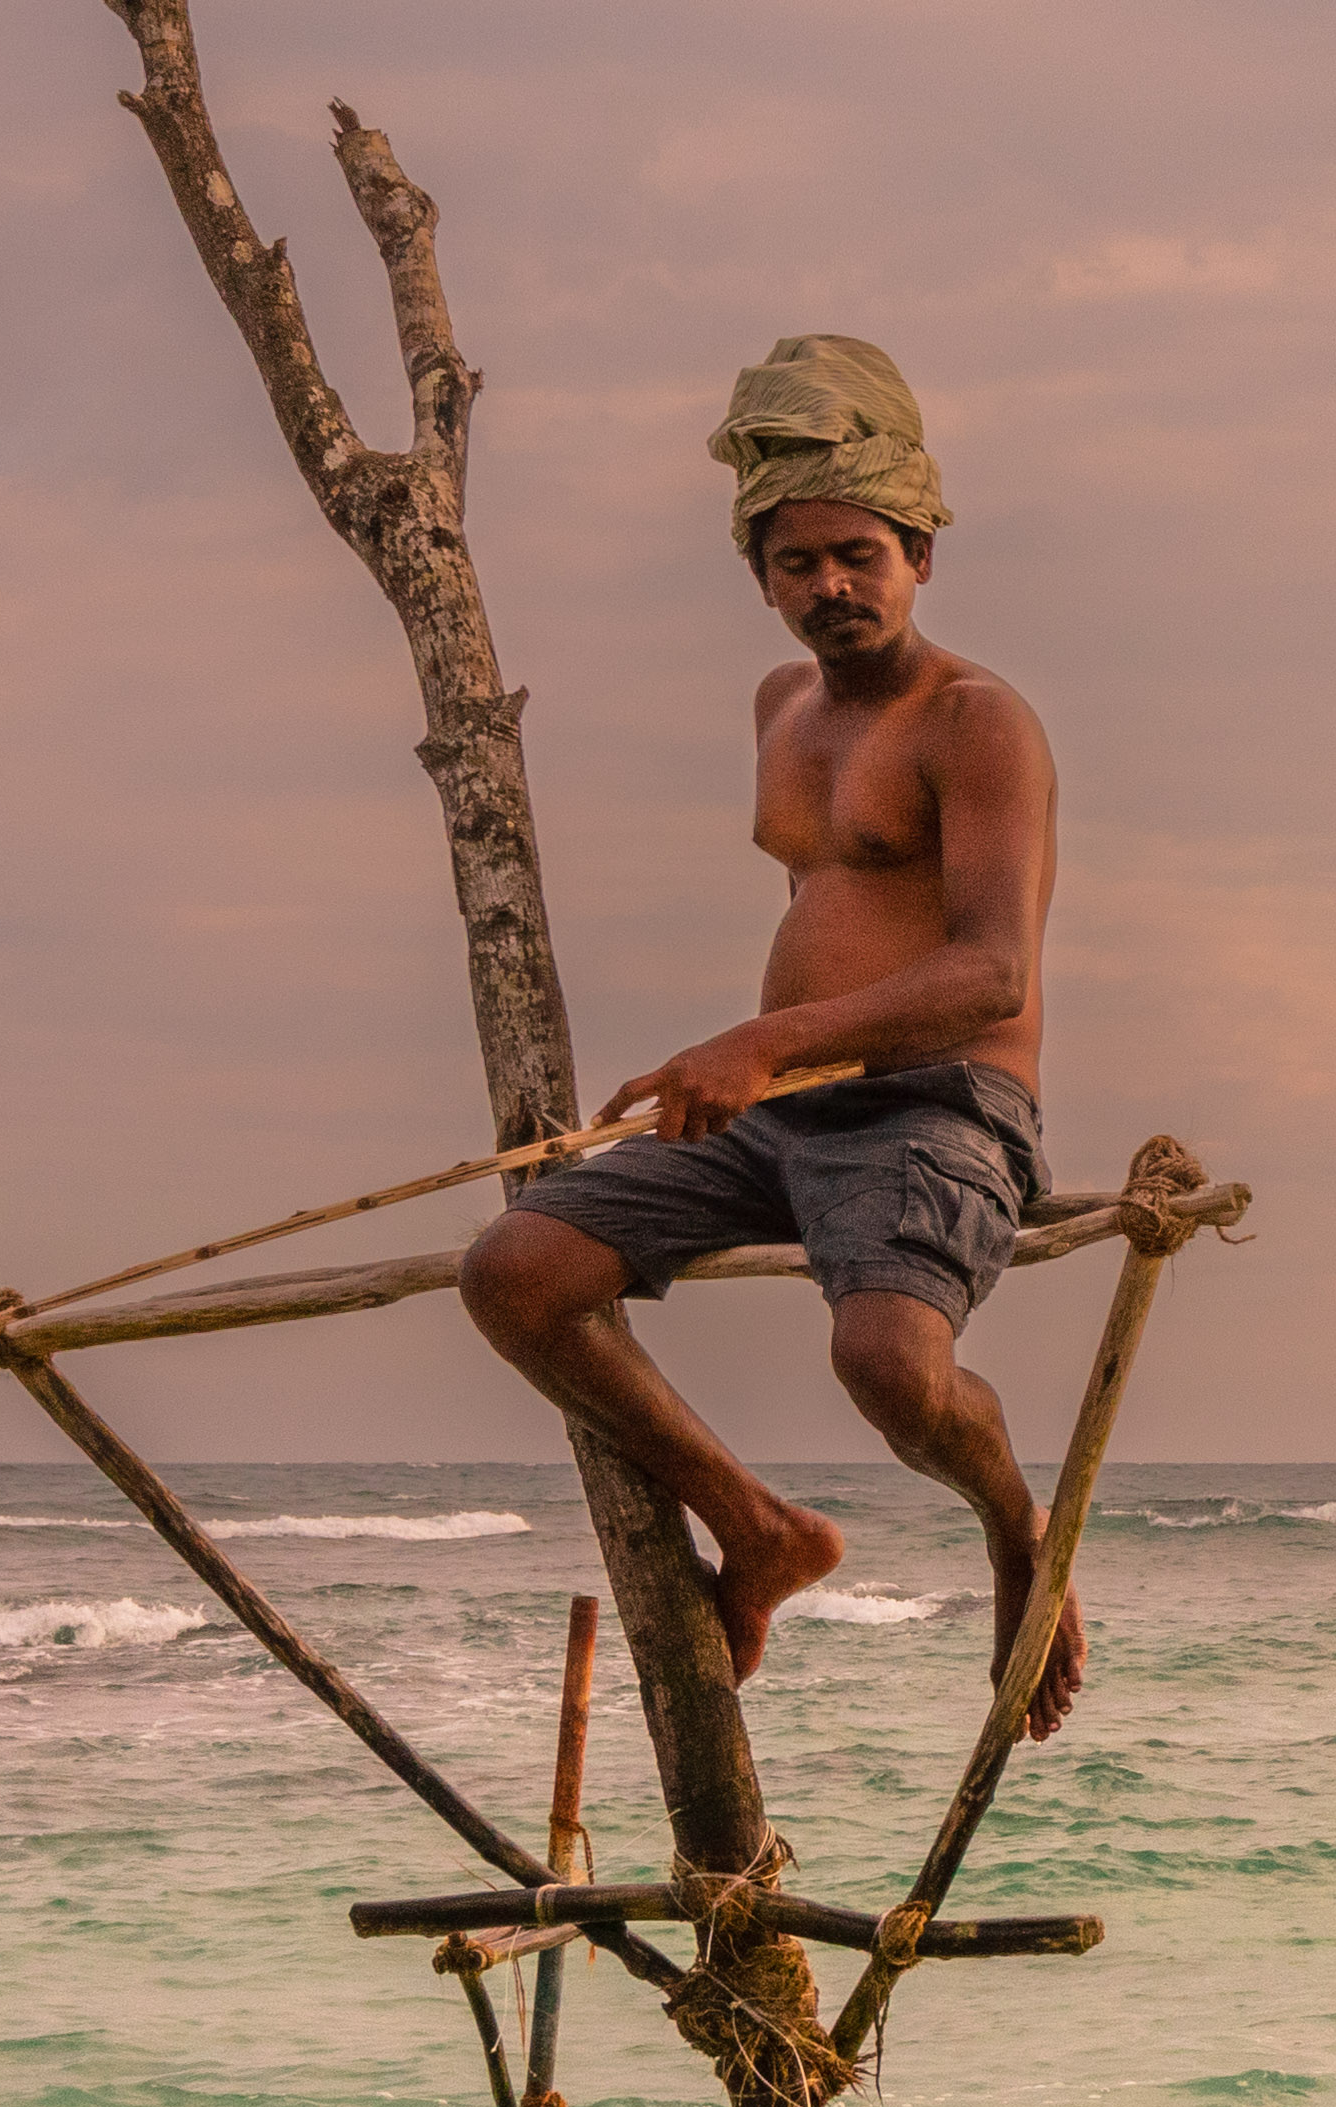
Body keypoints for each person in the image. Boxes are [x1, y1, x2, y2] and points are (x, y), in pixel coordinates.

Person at [456, 333, 1078, 1693]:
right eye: (797, 562)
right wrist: (761, 1070)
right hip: (782, 1115)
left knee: (888, 1362)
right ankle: (760, 1530)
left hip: (938, 1107)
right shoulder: (782, 705)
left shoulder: (978, 721)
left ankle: (1019, 1530)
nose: (832, 584)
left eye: (861, 552)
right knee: (515, 1272)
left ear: (920, 555)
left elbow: (991, 975)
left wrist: (755, 1043)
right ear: (761, 579)